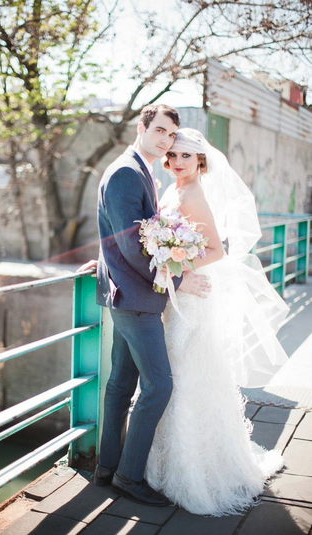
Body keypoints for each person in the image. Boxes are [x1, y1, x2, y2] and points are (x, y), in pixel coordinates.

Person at [144, 128, 289, 516]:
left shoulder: (193, 193)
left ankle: (196, 470)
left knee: (187, 375)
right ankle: (164, 462)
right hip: (177, 296)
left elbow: (216, 250)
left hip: (192, 298)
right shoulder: (172, 188)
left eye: (185, 157)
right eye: (172, 156)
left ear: (200, 161)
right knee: (175, 374)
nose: (176, 162)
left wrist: (173, 266)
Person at [89, 105, 211, 507]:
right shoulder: (127, 172)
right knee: (159, 386)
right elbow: (132, 244)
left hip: (127, 294)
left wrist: (103, 259)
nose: (164, 141)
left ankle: (107, 468)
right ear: (141, 128)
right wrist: (179, 279)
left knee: (121, 384)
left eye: (171, 136)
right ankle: (127, 476)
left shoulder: (137, 169)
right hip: (138, 299)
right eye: (159, 130)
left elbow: (122, 236)